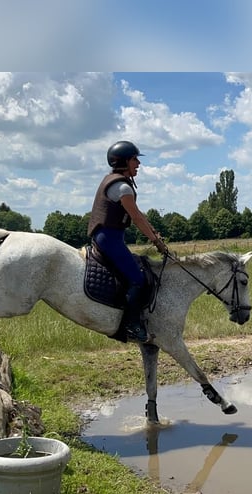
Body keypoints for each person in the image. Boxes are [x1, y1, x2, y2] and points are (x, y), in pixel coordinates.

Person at [87, 140, 168, 343]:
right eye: (134, 160)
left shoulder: (115, 182)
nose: (138, 164)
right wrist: (156, 242)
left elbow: (139, 214)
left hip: (109, 236)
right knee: (137, 279)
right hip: (110, 238)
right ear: (123, 161)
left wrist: (155, 235)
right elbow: (138, 218)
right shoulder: (122, 188)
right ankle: (132, 326)